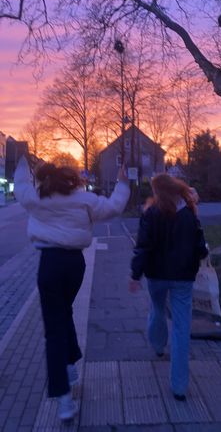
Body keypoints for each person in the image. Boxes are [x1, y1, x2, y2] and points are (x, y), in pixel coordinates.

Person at [14, 156, 130, 421]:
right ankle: (71, 363)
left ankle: (64, 399)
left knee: (54, 327)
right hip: (74, 264)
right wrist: (122, 183)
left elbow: (20, 185)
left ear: (44, 179)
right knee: (64, 312)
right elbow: (113, 208)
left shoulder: (36, 198)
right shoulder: (84, 199)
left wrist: (22, 162)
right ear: (71, 179)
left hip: (49, 264)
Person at [129, 173, 208, 401]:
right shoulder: (189, 212)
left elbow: (142, 246)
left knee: (157, 309)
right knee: (182, 328)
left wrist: (135, 274)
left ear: (158, 191)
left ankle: (158, 345)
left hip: (156, 276)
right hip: (184, 277)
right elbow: (200, 247)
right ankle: (179, 387)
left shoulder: (151, 214)